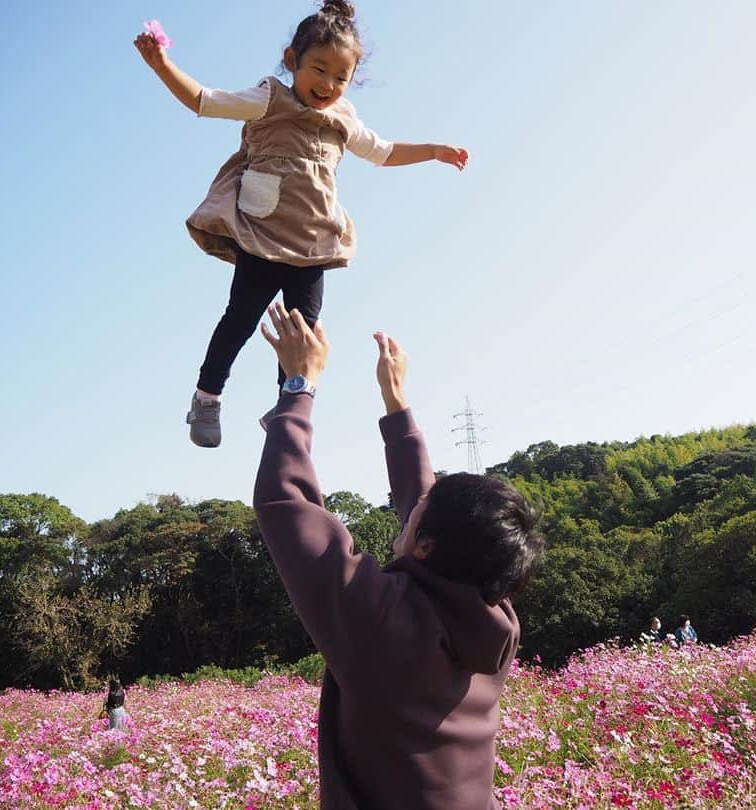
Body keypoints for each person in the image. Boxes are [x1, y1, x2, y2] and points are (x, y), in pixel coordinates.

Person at [133, 2, 469, 448]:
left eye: (340, 77)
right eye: (318, 69)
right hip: (264, 235)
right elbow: (204, 100)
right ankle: (207, 396)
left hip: (313, 243)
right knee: (241, 319)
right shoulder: (269, 98)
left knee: (304, 334)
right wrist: (162, 65)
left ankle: (285, 407)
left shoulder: (344, 119)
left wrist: (432, 150)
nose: (328, 84)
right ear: (292, 61)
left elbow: (384, 152)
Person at [253, 301, 544, 809]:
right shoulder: (496, 620)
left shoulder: (381, 620)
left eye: (417, 511)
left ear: (426, 546)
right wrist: (396, 404)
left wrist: (300, 386)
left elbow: (285, 502)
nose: (408, 507)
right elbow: (434, 515)